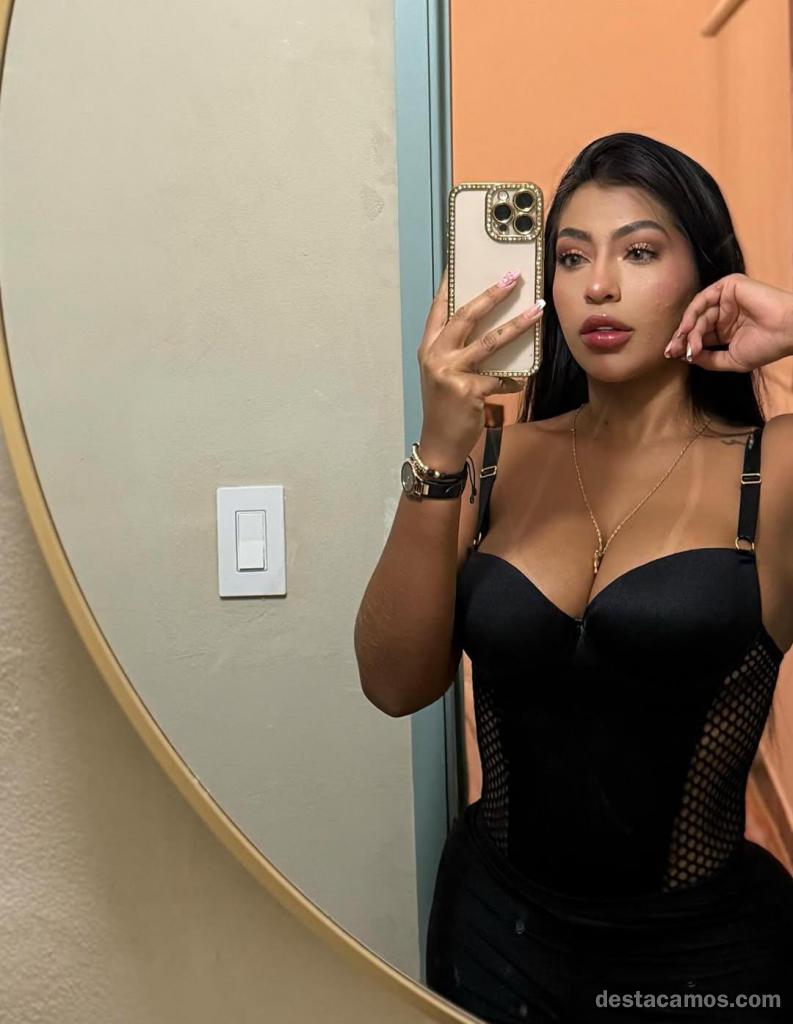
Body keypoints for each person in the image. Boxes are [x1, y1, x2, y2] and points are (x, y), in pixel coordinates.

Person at [354, 132, 793, 1022]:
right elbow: (393, 684)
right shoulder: (488, 462)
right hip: (494, 933)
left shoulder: (772, 469)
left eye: (639, 252)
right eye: (568, 257)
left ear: (706, 277)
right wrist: (440, 443)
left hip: (705, 958)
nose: (597, 286)